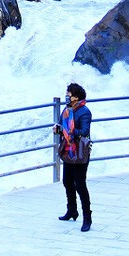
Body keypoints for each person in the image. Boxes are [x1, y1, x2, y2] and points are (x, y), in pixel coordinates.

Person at [55, 82, 93, 232]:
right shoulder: (66, 110)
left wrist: (70, 131)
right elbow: (61, 126)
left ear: (76, 97)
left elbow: (84, 131)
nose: (67, 97)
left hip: (80, 152)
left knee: (80, 184)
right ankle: (72, 210)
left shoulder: (85, 112)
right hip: (68, 150)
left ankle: (87, 217)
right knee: (67, 181)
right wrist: (59, 130)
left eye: (69, 95)